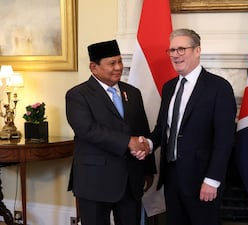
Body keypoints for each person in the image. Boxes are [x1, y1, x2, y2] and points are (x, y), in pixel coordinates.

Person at [148, 29, 237, 225]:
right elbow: (162, 129)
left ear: (197, 51)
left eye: (181, 49)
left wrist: (212, 180)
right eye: (171, 50)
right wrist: (146, 143)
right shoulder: (169, 87)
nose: (175, 54)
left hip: (203, 181)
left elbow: (225, 140)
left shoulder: (219, 88)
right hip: (172, 179)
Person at [65, 40, 156, 225]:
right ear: (94, 67)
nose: (118, 68)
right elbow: (87, 130)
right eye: (112, 63)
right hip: (95, 182)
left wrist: (147, 168)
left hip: (130, 181)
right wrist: (128, 142)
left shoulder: (133, 93)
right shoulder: (78, 95)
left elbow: (142, 130)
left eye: (120, 61)